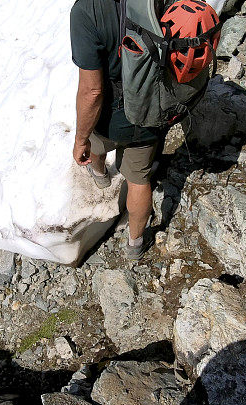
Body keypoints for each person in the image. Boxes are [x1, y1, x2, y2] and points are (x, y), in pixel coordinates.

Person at [69, 0, 162, 260]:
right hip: (153, 107)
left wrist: (80, 139)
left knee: (94, 144)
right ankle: (135, 244)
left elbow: (92, 91)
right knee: (139, 179)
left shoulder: (86, 11)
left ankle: (100, 176)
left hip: (112, 113)